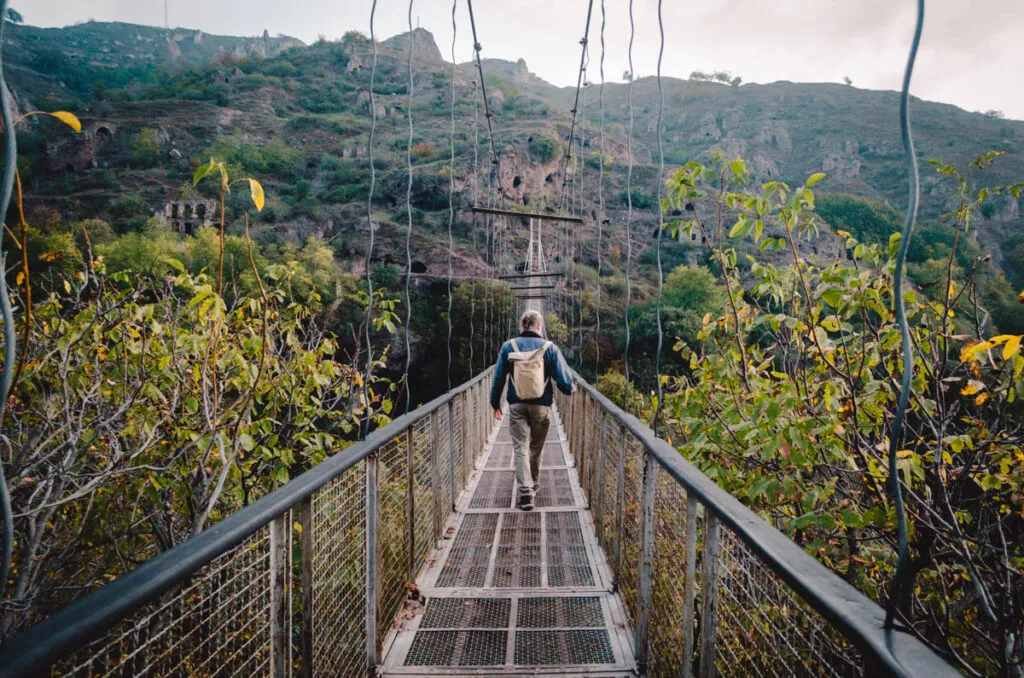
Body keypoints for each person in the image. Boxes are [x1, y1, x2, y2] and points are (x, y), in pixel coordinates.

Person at [490, 309, 576, 511]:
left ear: (522, 325)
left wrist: (496, 404)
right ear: (539, 326)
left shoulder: (508, 346)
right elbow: (563, 379)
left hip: (516, 405)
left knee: (520, 448)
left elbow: (498, 379)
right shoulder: (550, 348)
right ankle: (534, 486)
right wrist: (570, 389)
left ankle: (525, 493)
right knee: (535, 448)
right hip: (541, 405)